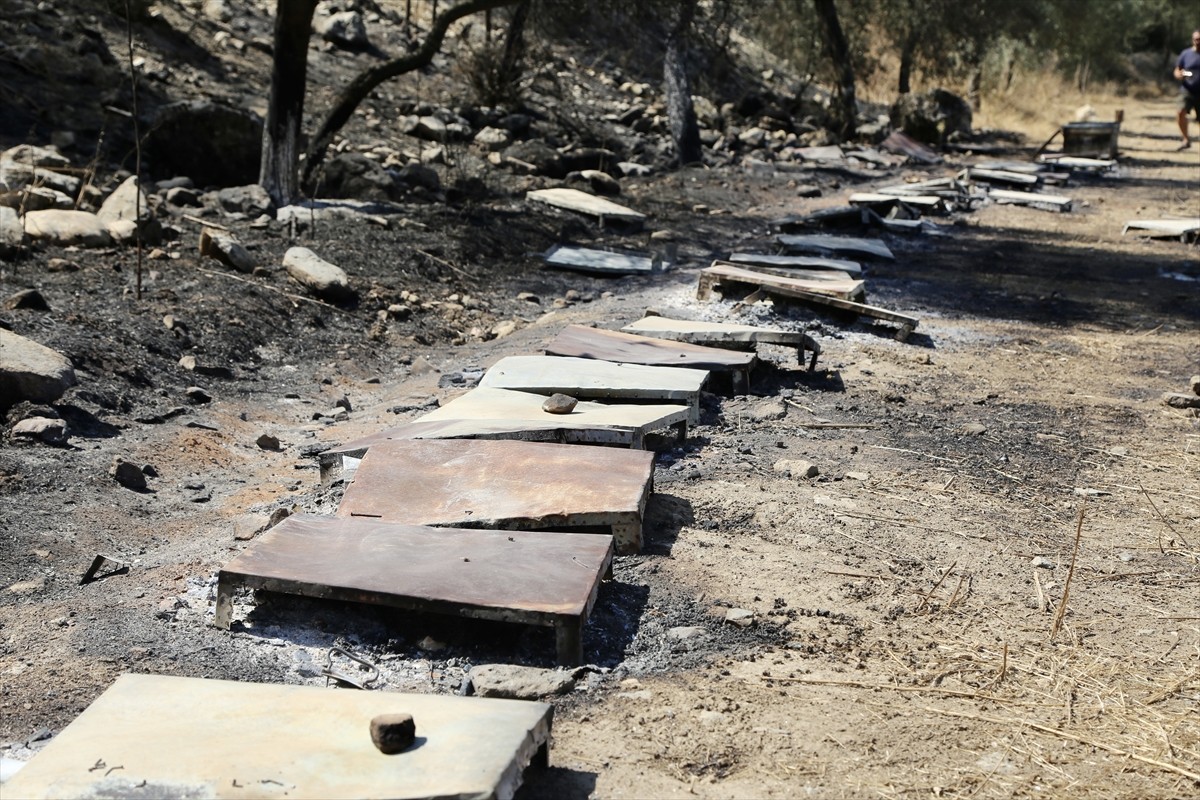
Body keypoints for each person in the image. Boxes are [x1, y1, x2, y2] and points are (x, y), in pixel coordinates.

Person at [1174, 29, 1200, 149]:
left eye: (1199, 39)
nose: (1197, 42)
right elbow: (1177, 70)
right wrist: (1179, 75)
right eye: (1196, 39)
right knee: (1180, 112)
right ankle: (1186, 139)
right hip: (1187, 89)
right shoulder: (1186, 54)